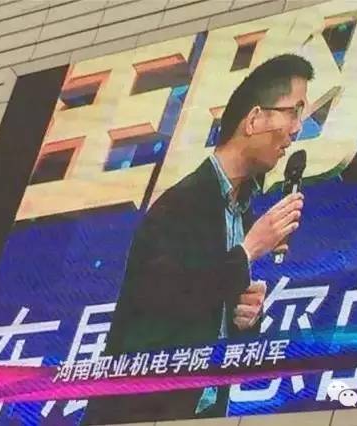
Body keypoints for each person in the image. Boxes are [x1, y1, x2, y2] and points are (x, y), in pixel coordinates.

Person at [82, 53, 314, 424]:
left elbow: (210, 318)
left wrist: (244, 320)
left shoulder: (240, 210)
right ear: (254, 119)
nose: (298, 128)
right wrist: (247, 251)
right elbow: (164, 301)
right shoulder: (182, 203)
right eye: (294, 111)